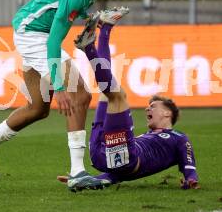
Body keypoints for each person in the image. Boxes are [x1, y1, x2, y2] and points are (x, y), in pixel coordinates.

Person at [0, 0, 139, 191]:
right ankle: (77, 172)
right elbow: (54, 40)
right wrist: (59, 86)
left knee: (37, 108)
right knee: (78, 94)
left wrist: (92, 20)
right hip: (35, 35)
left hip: (30, 28)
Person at [56, 10, 200, 191]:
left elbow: (189, 165)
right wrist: (86, 180)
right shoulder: (146, 137)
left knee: (117, 95)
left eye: (153, 106)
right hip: (102, 155)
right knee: (108, 91)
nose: (148, 109)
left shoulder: (179, 138)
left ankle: (91, 47)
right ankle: (104, 30)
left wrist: (190, 179)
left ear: (167, 112)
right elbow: (119, 172)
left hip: (122, 159)